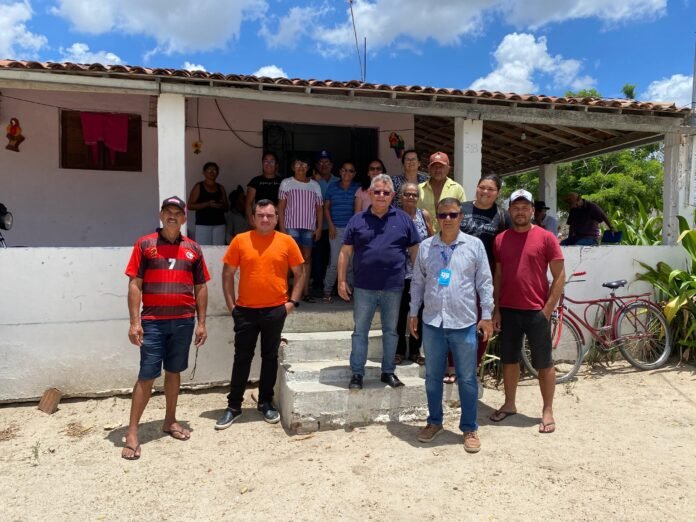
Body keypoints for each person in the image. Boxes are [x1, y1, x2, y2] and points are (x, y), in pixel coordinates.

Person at [121, 196, 210, 460]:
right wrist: (134, 322)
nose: (172, 216)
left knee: (174, 371)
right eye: (168, 211)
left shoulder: (193, 249)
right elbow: (135, 284)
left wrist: (201, 322)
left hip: (183, 321)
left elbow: (201, 287)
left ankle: (170, 420)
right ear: (161, 215)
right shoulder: (145, 244)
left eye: (177, 212)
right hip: (153, 323)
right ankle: (132, 432)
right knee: (147, 375)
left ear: (184, 218)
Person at [410, 198, 494, 452]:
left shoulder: (474, 245)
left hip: (464, 323)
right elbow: (418, 282)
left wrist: (487, 315)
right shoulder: (426, 247)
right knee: (432, 378)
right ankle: (434, 422)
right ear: (437, 217)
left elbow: (485, 282)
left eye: (453, 214)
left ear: (461, 217)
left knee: (467, 379)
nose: (447, 219)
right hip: (433, 322)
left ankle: (469, 427)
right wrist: (413, 312)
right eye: (443, 215)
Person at [215, 199, 305, 429]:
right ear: (253, 217)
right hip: (245, 311)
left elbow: (299, 272)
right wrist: (232, 307)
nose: (265, 219)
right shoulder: (240, 240)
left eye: (270, 215)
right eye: (261, 215)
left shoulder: (287, 241)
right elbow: (227, 274)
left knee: (270, 357)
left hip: (275, 310)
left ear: (276, 218)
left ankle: (265, 402)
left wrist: (292, 303)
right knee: (242, 358)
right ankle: (234, 406)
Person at [490, 189, 565, 434]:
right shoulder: (501, 239)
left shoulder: (546, 238)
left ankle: (547, 410)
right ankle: (510, 404)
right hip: (508, 310)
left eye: (525, 207)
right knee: (509, 360)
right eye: (516, 207)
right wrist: (496, 309)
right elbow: (498, 275)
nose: (520, 212)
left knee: (544, 362)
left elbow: (559, 276)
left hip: (536, 311)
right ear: (509, 211)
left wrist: (547, 309)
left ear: (532, 210)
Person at [337, 174, 420, 390]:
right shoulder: (357, 220)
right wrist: (341, 281)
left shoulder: (404, 220)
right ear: (370, 194)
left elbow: (415, 251)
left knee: (391, 331)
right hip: (364, 286)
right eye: (377, 191)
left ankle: (388, 371)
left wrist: (420, 281)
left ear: (392, 195)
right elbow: (345, 252)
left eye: (386, 192)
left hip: (393, 287)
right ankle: (357, 373)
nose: (381, 195)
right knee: (360, 331)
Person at [450, 174, 510, 383]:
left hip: (486, 277)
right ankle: (451, 365)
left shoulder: (502, 216)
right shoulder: (462, 208)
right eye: (482, 187)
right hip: (457, 273)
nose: (485, 192)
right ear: (476, 187)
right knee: (453, 319)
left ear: (498, 193)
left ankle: (471, 367)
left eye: (491, 189)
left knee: (483, 320)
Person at [395, 182, 433, 365]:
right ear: (400, 197)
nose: (411, 197)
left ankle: (416, 351)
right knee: (400, 313)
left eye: (414, 194)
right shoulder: (394, 215)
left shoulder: (423, 215)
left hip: (421, 274)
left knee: (419, 312)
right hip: (399, 274)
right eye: (407, 194)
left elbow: (432, 239)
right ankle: (399, 350)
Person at [278, 155, 323, 302]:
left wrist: (319, 228)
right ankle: (285, 293)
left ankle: (305, 293)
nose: (301, 167)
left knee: (307, 260)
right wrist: (282, 227)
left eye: (304, 164)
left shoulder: (314, 185)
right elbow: (281, 207)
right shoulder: (286, 183)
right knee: (290, 260)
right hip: (291, 227)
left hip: (309, 227)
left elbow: (319, 208)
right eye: (298, 164)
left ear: (308, 167)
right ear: (293, 167)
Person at [322, 161, 360, 301]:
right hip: (335, 229)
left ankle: (348, 292)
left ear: (354, 174)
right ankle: (327, 290)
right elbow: (326, 207)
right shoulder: (332, 187)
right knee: (334, 262)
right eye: (344, 170)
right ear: (340, 171)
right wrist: (331, 225)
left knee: (350, 263)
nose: (347, 173)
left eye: (351, 171)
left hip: (351, 230)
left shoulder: (357, 188)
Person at [311, 150, 339, 296]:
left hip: (335, 225)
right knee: (317, 256)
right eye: (320, 162)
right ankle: (317, 285)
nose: (324, 165)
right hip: (317, 226)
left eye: (326, 162)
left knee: (333, 257)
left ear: (332, 165)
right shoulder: (311, 182)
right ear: (316, 165)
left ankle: (333, 285)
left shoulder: (338, 181)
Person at [418, 152, 466, 233]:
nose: (438, 170)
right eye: (434, 167)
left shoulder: (457, 189)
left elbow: (463, 214)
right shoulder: (419, 189)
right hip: (424, 236)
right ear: (429, 169)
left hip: (449, 236)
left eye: (441, 167)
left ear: (448, 168)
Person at [187, 161, 229, 245]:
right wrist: (208, 204)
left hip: (219, 224)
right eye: (209, 170)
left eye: (214, 170)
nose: (212, 172)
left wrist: (220, 205)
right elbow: (190, 206)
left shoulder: (221, 187)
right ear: (204, 172)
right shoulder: (199, 186)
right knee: (203, 249)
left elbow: (227, 207)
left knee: (219, 249)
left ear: (218, 173)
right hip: (203, 224)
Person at [245, 151, 283, 226]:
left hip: (277, 220)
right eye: (266, 161)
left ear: (276, 165)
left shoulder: (282, 182)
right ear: (262, 164)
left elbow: (284, 204)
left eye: (272, 161)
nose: (268, 164)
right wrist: (251, 219)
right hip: (260, 219)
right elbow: (248, 203)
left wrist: (279, 220)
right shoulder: (255, 181)